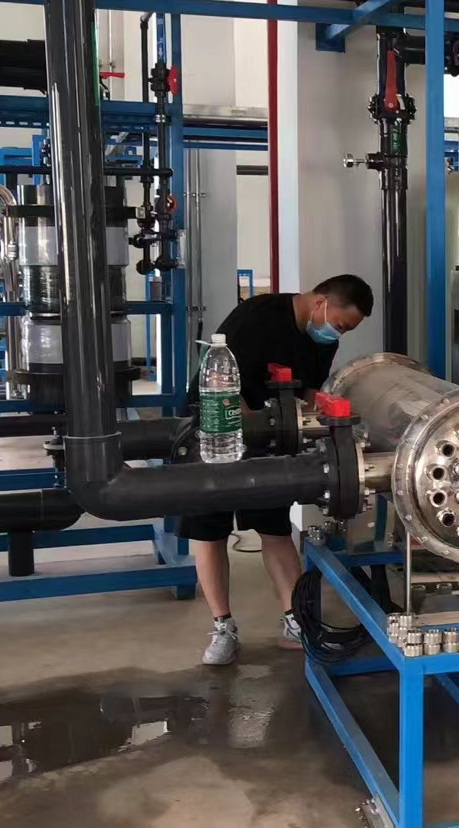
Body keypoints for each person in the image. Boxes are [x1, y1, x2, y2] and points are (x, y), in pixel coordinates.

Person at [183, 274, 374, 665]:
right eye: (339, 325)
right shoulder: (257, 318)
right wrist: (247, 433)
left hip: (269, 438)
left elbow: (309, 391)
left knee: (274, 527)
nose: (337, 333)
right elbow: (220, 382)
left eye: (345, 331)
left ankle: (295, 620)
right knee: (209, 531)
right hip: (216, 429)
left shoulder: (323, 340)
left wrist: (324, 426)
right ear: (321, 302)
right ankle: (223, 627)